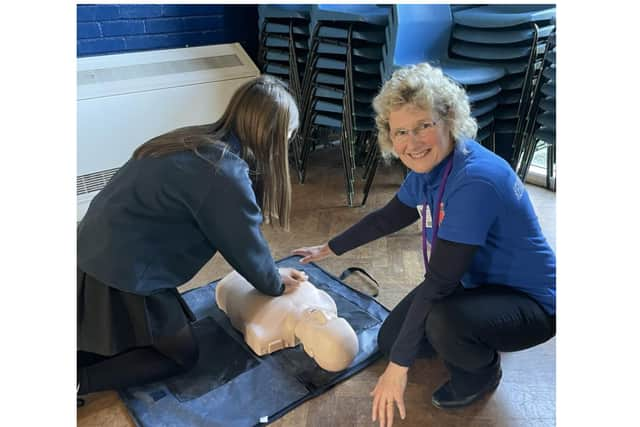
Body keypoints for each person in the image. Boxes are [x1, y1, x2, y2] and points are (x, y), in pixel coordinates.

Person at [292, 63, 556, 426]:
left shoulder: (475, 181)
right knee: (391, 339)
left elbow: (439, 284)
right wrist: (329, 247)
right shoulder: (430, 168)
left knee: (442, 320)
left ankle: (482, 372)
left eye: (423, 126)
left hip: (532, 304)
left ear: (448, 121)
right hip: (474, 283)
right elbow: (391, 216)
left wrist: (397, 370)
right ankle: (475, 332)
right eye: (401, 131)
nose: (411, 143)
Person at [77, 75, 309, 400]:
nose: (287, 142)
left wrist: (270, 273)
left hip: (90, 247)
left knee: (107, 339)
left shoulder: (192, 139)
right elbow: (245, 247)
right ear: (273, 133)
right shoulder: (224, 173)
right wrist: (274, 283)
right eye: (288, 134)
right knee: (181, 356)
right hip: (124, 266)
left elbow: (244, 241)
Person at [216, 270, 359, 372]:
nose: (321, 314)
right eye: (332, 318)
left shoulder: (264, 333)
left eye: (321, 324)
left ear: (309, 350)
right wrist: (273, 274)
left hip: (226, 288)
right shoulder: (326, 304)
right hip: (257, 269)